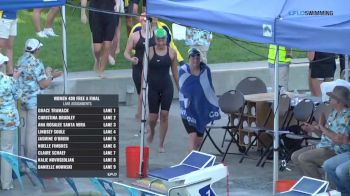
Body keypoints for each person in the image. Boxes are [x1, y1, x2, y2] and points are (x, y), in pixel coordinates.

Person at [16, 38, 62, 162]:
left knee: (23, 132)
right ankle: (31, 160)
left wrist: (47, 73)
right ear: (36, 49)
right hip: (33, 102)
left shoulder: (20, 60)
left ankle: (21, 161)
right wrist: (52, 76)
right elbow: (43, 84)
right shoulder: (36, 63)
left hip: (21, 100)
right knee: (32, 133)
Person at [291, 86, 350, 179]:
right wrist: (314, 130)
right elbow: (325, 135)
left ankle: (319, 189)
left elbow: (336, 139)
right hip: (323, 146)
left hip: (335, 150)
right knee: (295, 156)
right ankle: (309, 183)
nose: (329, 99)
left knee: (304, 158)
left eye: (332, 97)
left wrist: (322, 127)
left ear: (338, 101)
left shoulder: (347, 116)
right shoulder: (334, 113)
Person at [179, 48, 220, 151]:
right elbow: (184, 89)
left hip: (201, 110)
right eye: (193, 58)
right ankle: (190, 164)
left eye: (197, 58)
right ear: (189, 58)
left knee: (199, 140)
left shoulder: (205, 70)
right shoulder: (183, 71)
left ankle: (193, 159)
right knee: (193, 136)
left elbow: (210, 90)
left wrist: (213, 106)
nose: (195, 60)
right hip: (188, 110)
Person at [146, 28, 179, 153]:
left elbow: (175, 73)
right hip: (153, 88)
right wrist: (143, 87)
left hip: (166, 87)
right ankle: (152, 131)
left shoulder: (172, 52)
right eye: (158, 40)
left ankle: (161, 143)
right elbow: (144, 70)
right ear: (155, 40)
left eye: (163, 40)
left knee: (164, 115)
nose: (160, 43)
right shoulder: (149, 51)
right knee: (152, 118)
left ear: (166, 39)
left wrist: (179, 88)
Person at [124, 14, 155, 120]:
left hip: (151, 67)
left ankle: (150, 113)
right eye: (143, 19)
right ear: (140, 21)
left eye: (147, 20)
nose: (145, 21)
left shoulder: (155, 35)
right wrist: (131, 59)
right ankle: (140, 113)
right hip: (138, 67)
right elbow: (126, 53)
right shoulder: (135, 35)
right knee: (140, 92)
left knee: (151, 91)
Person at [0, 53, 22, 190]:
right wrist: (16, 79)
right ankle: (6, 183)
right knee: (6, 151)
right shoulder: (8, 81)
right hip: (8, 120)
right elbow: (18, 95)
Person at [89, 0, 120, 78]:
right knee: (97, 49)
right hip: (96, 12)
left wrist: (118, 4)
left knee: (107, 44)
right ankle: (98, 60)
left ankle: (102, 70)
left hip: (110, 13)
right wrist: (83, 13)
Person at [0, 9, 17, 75]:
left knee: (9, 46)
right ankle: (1, 72)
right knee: (0, 46)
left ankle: (10, 72)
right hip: (3, 17)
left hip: (13, 17)